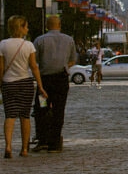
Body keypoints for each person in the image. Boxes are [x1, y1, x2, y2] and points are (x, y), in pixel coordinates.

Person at [1, 15, 46, 158]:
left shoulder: (3, 44)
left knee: (10, 115)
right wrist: (40, 86)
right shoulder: (28, 45)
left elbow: (1, 67)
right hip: (25, 82)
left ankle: (8, 146)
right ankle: (24, 149)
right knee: (25, 116)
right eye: (26, 26)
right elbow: (33, 67)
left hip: (8, 83)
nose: (28, 29)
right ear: (20, 27)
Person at [31, 14, 76, 152]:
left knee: (41, 108)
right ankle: (55, 142)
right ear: (60, 25)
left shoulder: (40, 40)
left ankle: (43, 139)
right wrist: (64, 65)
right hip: (61, 80)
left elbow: (34, 61)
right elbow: (73, 60)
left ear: (47, 26)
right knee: (58, 109)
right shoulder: (69, 40)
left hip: (44, 82)